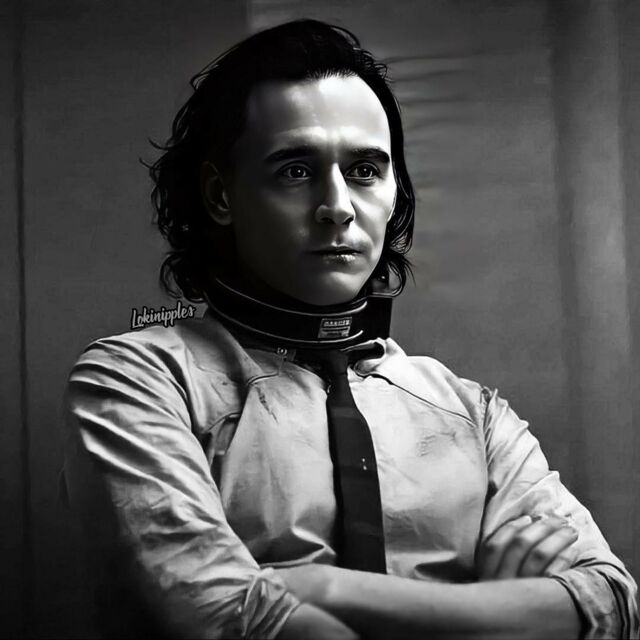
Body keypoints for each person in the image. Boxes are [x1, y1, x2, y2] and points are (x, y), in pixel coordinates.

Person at [61, 19, 639, 640]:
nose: (337, 206)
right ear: (219, 195)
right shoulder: (137, 381)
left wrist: (325, 588)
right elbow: (233, 614)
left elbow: (611, 605)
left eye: (364, 170)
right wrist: (500, 613)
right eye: (295, 171)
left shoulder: (472, 412)